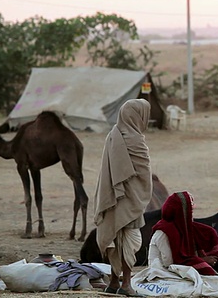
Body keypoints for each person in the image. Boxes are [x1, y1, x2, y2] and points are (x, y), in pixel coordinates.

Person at [93, 99, 153, 296]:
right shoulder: (135, 139)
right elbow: (143, 173)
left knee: (116, 237)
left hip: (112, 197)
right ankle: (126, 284)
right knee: (129, 240)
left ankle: (113, 282)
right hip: (131, 199)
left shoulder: (113, 135)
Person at [149, 191, 218, 276]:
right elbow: (169, 263)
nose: (191, 213)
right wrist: (202, 260)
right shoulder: (164, 231)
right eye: (189, 210)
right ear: (181, 212)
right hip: (163, 273)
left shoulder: (183, 228)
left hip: (179, 271)